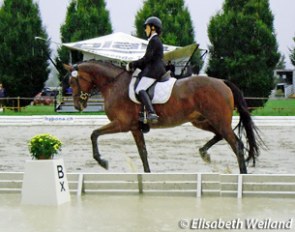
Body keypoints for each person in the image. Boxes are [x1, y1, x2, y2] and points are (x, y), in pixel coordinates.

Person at [126, 16, 166, 123]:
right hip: (154, 68)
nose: (145, 30)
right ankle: (143, 114)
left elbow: (147, 58)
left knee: (140, 89)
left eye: (146, 27)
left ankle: (151, 113)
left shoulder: (154, 41)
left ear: (153, 28)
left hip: (154, 70)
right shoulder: (154, 40)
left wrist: (132, 65)